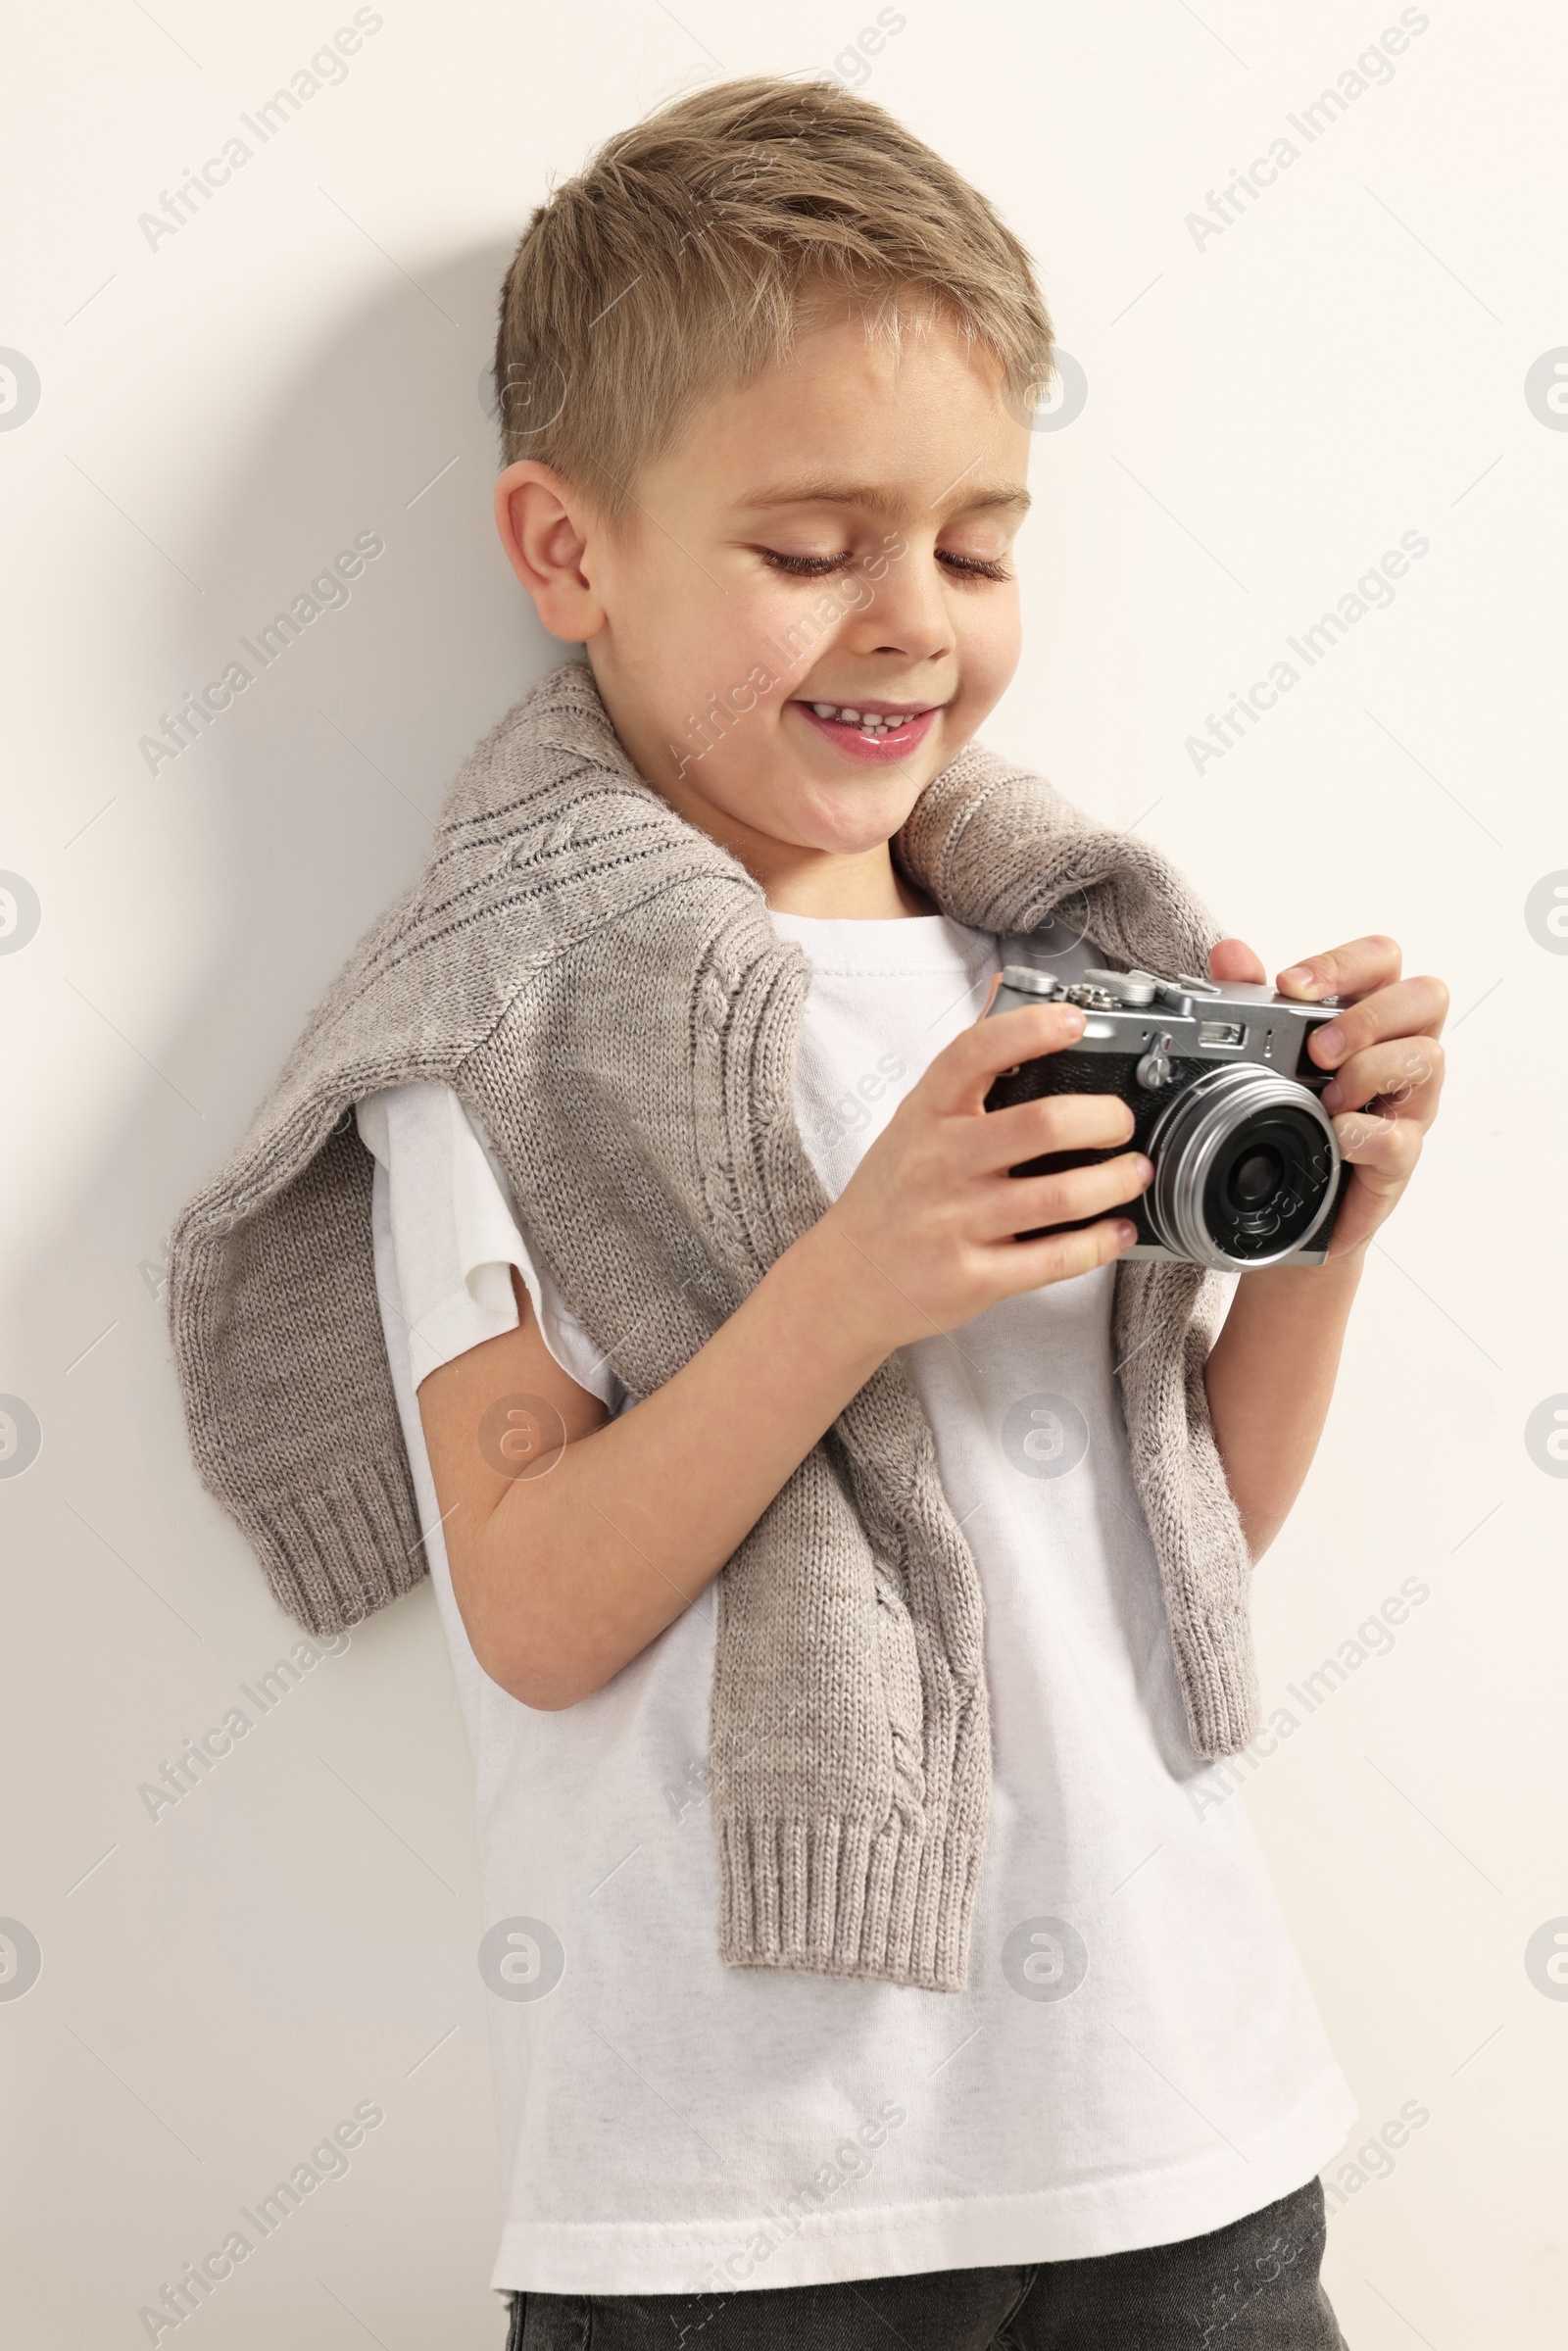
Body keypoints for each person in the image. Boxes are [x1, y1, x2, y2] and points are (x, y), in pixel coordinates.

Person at [168, 74, 1447, 2351]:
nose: (909, 625)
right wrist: (845, 1282)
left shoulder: (1062, 974)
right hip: (743, 2204)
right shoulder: (509, 1028)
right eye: (807, 547)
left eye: (974, 545)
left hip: (1184, 2124)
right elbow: (538, 1605)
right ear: (566, 551)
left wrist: (1320, 1231)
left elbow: (1172, 1548)